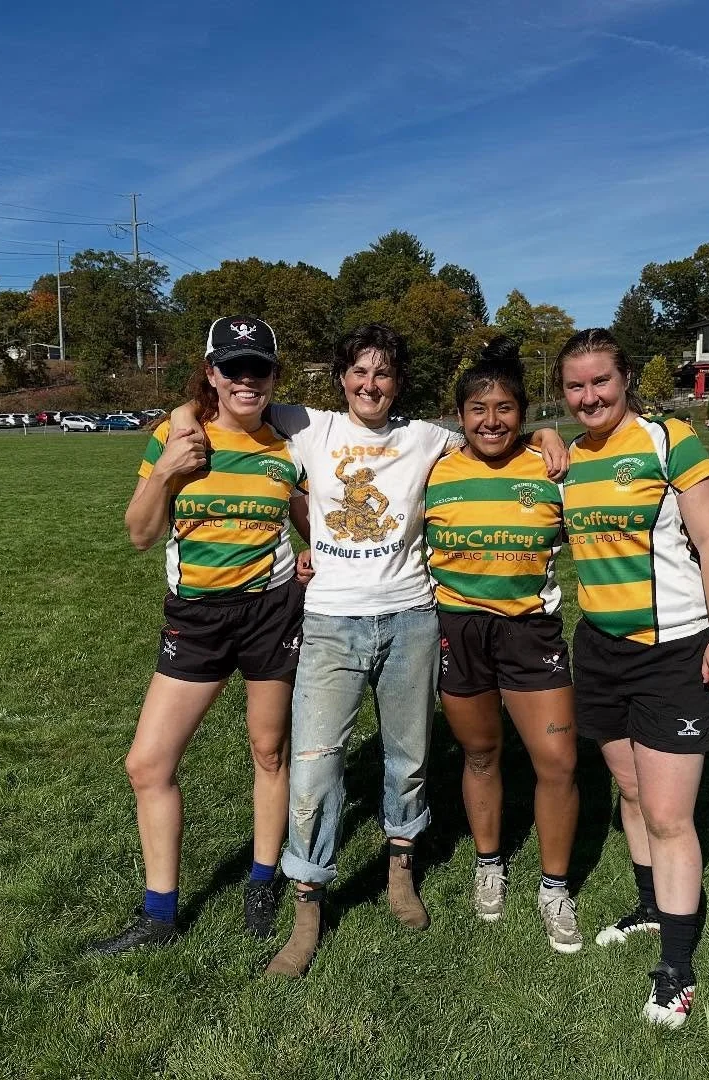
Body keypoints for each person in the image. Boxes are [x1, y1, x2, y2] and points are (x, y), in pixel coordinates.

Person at [167, 324, 567, 978]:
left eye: (382, 374)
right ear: (342, 377)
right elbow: (219, 400)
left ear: (398, 382)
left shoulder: (427, 437)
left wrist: (547, 434)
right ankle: (307, 907)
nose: (370, 385)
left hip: (411, 617)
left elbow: (501, 431)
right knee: (316, 768)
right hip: (329, 622)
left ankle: (400, 871)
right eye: (359, 372)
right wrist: (184, 412)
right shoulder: (308, 426)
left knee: (408, 760)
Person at [90, 316, 309, 955]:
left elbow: (312, 521)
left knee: (268, 753)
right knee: (148, 763)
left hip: (271, 614)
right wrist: (165, 473)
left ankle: (264, 878)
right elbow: (138, 533)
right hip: (198, 619)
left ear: (273, 377)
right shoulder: (177, 435)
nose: (247, 379)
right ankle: (160, 914)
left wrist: (313, 555)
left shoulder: (286, 446)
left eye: (259, 368)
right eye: (232, 367)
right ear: (211, 372)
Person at [557, 328, 709, 1029]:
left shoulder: (670, 440)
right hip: (599, 648)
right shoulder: (570, 457)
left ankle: (677, 968)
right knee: (631, 793)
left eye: (600, 382)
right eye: (575, 386)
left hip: (672, 651)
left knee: (669, 817)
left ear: (625, 378)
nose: (589, 396)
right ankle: (647, 904)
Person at [424, 337, 581, 954]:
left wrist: (547, 435)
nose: (493, 421)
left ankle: (554, 884)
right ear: (459, 417)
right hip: (458, 628)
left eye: (507, 408)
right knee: (481, 754)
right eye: (479, 409)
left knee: (560, 763)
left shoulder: (550, 468)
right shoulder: (435, 468)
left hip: (529, 630)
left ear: (524, 412)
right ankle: (489, 863)